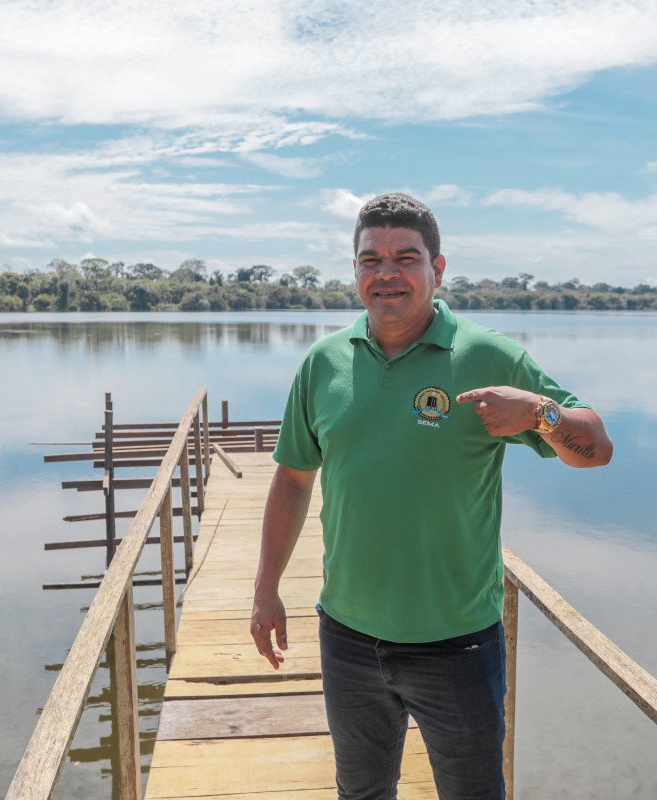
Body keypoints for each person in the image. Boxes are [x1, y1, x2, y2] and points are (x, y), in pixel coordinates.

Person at [250, 193, 613, 800]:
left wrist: (540, 413)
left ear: (437, 269)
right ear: (355, 270)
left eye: (405, 258)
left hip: (457, 644)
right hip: (347, 634)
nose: (386, 273)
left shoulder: (488, 356)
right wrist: (266, 590)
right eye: (371, 259)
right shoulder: (323, 363)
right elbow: (291, 479)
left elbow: (596, 449)